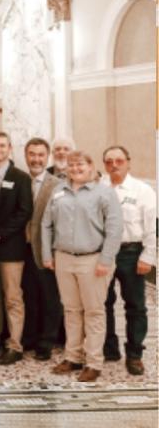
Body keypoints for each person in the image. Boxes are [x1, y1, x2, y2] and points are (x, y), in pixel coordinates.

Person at [42, 151, 123, 382]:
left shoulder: (104, 193)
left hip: (93, 260)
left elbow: (115, 229)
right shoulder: (58, 191)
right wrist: (48, 254)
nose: (75, 168)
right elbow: (46, 225)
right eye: (72, 165)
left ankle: (94, 362)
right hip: (64, 258)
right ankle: (73, 357)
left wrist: (106, 260)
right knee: (71, 310)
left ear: (90, 166)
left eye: (80, 164)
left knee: (94, 312)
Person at [0, 132, 33, 365]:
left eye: (2, 145)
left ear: (10, 148)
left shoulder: (20, 177)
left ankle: (15, 344)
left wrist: (0, 233)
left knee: (12, 296)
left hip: (11, 247)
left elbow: (24, 211)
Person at [100, 145, 156, 376]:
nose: (114, 165)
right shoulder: (99, 189)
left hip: (132, 253)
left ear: (128, 162)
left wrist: (148, 256)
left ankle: (134, 354)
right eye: (109, 161)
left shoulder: (142, 190)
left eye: (119, 161)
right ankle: (109, 348)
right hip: (104, 253)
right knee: (103, 304)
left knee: (135, 306)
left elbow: (152, 226)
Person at [20, 137, 64, 361]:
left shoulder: (57, 185)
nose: (36, 159)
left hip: (47, 250)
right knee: (28, 295)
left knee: (49, 297)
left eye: (40, 155)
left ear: (46, 157)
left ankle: (46, 341)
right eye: (32, 154)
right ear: (25, 155)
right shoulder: (19, 180)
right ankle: (29, 337)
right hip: (22, 249)